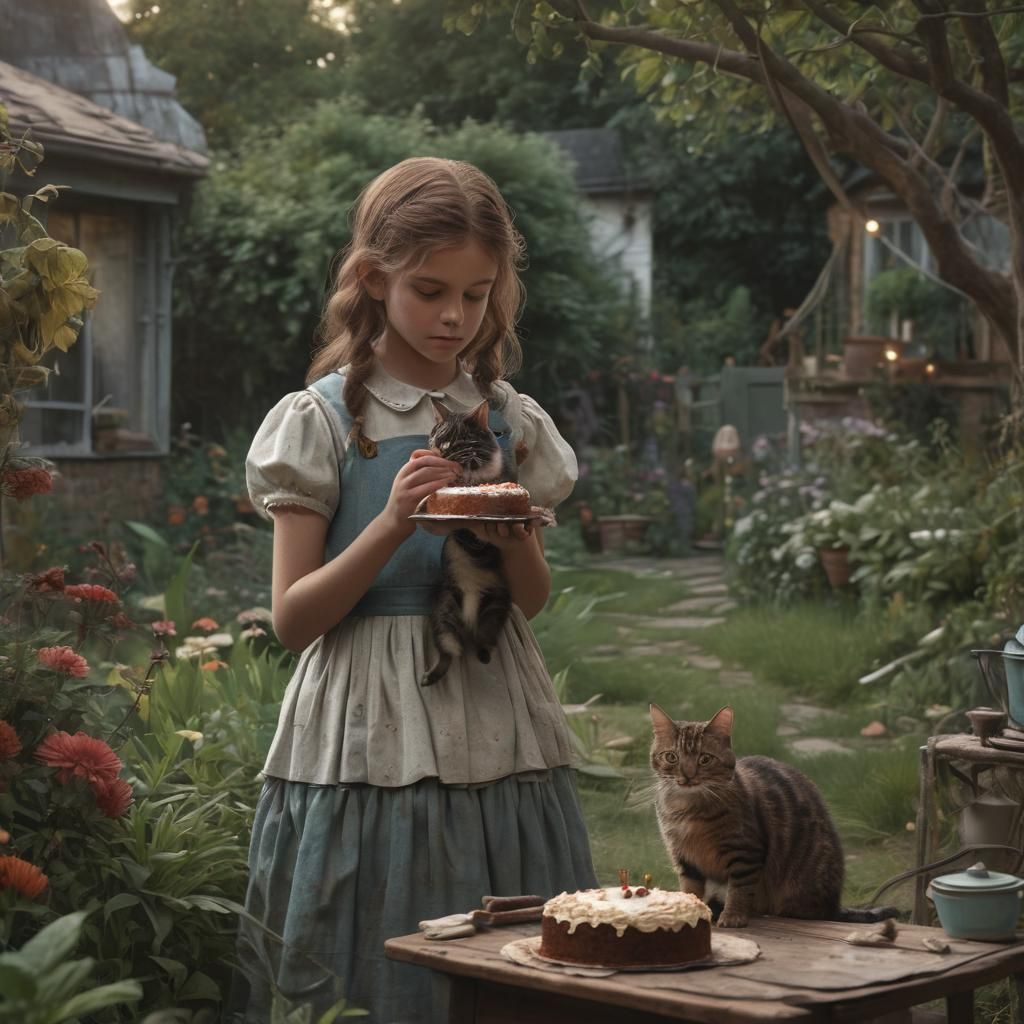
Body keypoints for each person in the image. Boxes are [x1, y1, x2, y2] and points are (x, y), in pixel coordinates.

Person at [234, 157, 597, 1023]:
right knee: (370, 935)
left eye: (476, 294)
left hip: (495, 709)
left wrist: (513, 537)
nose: (454, 316)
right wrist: (393, 522)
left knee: (508, 940)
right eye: (430, 291)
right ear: (373, 279)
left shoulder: (507, 420)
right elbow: (293, 619)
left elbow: (527, 602)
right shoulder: (324, 421)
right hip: (365, 721)